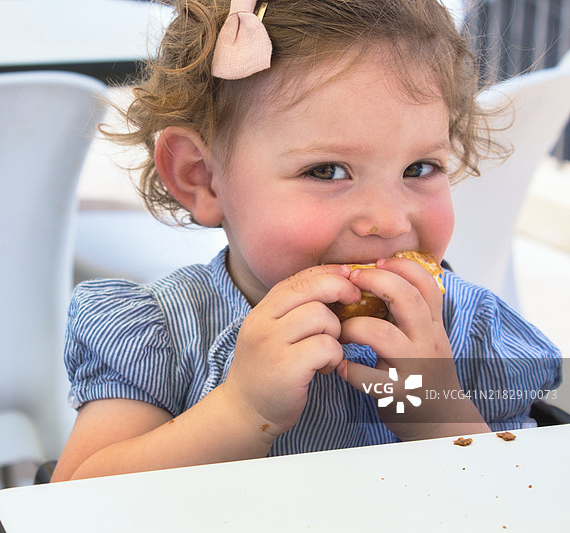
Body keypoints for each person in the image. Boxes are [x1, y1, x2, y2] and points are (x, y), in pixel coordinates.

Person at [51, 0, 562, 482]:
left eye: (419, 168)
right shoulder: (159, 335)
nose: (387, 220)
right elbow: (68, 507)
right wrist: (240, 411)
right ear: (201, 178)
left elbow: (522, 498)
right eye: (327, 170)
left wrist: (433, 410)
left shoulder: (470, 333)